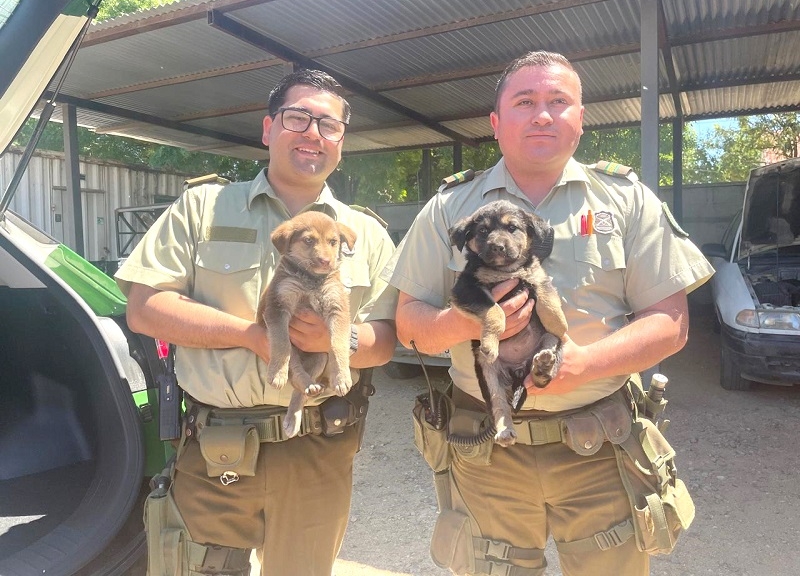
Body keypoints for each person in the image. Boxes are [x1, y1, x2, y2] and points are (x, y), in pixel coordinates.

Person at [382, 51, 714, 576]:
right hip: (484, 451)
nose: (542, 114)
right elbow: (407, 322)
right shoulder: (449, 208)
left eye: (559, 101)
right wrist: (463, 323)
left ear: (580, 118)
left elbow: (671, 323)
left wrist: (583, 365)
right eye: (525, 101)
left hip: (599, 448)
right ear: (495, 123)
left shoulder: (626, 200)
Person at [116, 69, 398, 576]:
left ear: (340, 143)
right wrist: (254, 336)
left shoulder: (366, 234)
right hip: (216, 446)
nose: (313, 132)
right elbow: (144, 308)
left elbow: (389, 338)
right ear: (269, 129)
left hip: (319, 446)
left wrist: (343, 338)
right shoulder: (202, 208)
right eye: (298, 118)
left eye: (328, 125)